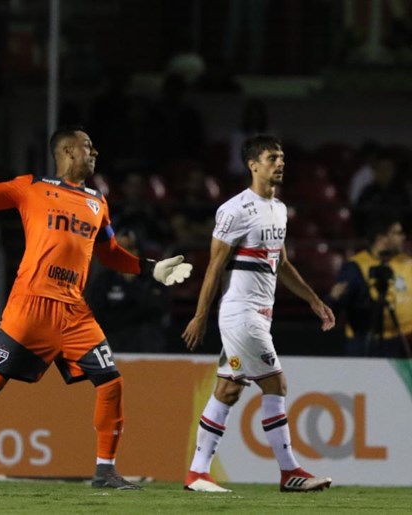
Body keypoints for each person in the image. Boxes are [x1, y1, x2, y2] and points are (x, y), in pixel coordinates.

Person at [0, 126, 192, 489]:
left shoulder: (97, 202)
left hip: (74, 313)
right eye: (88, 146)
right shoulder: (31, 188)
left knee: (111, 381)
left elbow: (109, 253)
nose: (95, 152)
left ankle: (105, 471)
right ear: (68, 151)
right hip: (29, 307)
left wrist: (149, 268)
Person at [182, 134, 335, 493]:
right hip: (241, 314)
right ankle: (289, 472)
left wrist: (313, 300)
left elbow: (281, 262)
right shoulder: (234, 210)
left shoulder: (279, 209)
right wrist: (200, 315)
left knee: (228, 389)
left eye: (282, 157)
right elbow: (214, 267)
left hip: (260, 314)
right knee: (276, 383)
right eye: (272, 158)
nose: (280, 163)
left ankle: (197, 474)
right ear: (253, 164)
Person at [327, 216, 412, 357]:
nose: (403, 237)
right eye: (398, 233)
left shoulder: (407, 262)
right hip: (368, 343)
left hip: (404, 342)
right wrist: (332, 299)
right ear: (381, 237)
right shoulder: (357, 266)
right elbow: (335, 304)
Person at [87, 228, 170, 353]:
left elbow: (158, 311)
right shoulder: (104, 280)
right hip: (113, 340)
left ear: (138, 252)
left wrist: (130, 290)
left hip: (144, 343)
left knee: (148, 332)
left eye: (129, 248)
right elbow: (97, 315)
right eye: (119, 249)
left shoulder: (153, 279)